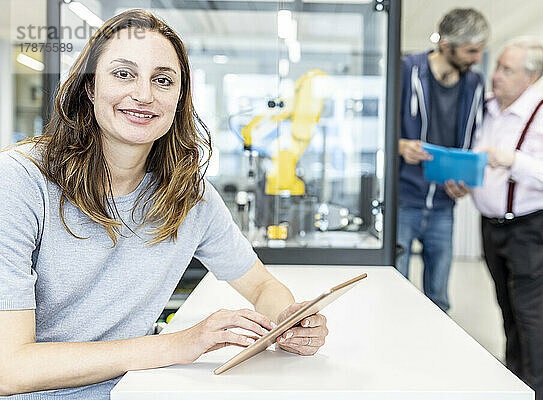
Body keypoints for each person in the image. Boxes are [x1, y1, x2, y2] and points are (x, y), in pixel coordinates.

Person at [0, 10, 328, 399]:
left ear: (179, 97)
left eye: (162, 80)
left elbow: (259, 284)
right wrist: (180, 343)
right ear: (90, 88)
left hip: (134, 390)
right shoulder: (19, 181)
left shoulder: (190, 195)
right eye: (123, 74)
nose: (143, 95)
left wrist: (287, 320)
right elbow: (9, 368)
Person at [470, 38, 543, 400]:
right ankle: (516, 387)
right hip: (491, 225)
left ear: (530, 78)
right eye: (497, 65)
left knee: (530, 317)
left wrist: (511, 159)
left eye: (507, 69)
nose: (495, 75)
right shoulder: (486, 110)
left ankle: (540, 394)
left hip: (531, 225)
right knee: (508, 309)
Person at [397, 8, 489, 311]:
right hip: (404, 200)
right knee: (395, 288)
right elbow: (379, 129)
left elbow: (474, 136)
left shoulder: (474, 83)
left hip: (444, 204)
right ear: (446, 46)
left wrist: (465, 178)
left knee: (438, 298)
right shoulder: (406, 71)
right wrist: (399, 145)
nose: (477, 58)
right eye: (471, 50)